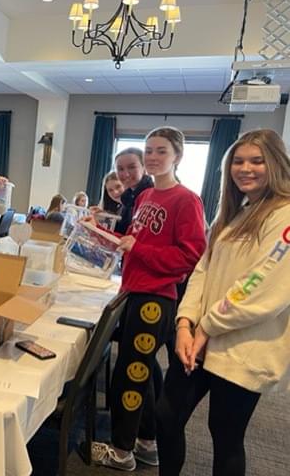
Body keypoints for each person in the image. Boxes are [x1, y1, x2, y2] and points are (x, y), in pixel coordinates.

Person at [156, 129, 290, 476]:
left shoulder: (285, 214)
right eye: (238, 161)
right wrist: (185, 324)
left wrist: (206, 327)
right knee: (167, 416)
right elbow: (203, 269)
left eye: (257, 161)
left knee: (226, 435)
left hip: (245, 346)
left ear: (275, 164)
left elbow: (259, 287)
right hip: (199, 339)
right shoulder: (235, 212)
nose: (246, 169)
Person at [91, 127, 207, 471]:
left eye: (161, 151)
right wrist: (99, 232)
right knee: (142, 372)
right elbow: (131, 241)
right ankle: (146, 441)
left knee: (131, 374)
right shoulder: (145, 197)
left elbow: (190, 256)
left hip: (156, 298)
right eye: (150, 151)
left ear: (177, 156)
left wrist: (138, 248)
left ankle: (121, 451)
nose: (154, 157)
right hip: (133, 290)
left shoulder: (186, 199)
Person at [115, 147, 154, 234]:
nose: (126, 174)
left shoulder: (153, 196)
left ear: (144, 168)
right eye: (120, 169)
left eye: (132, 167)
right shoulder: (127, 198)